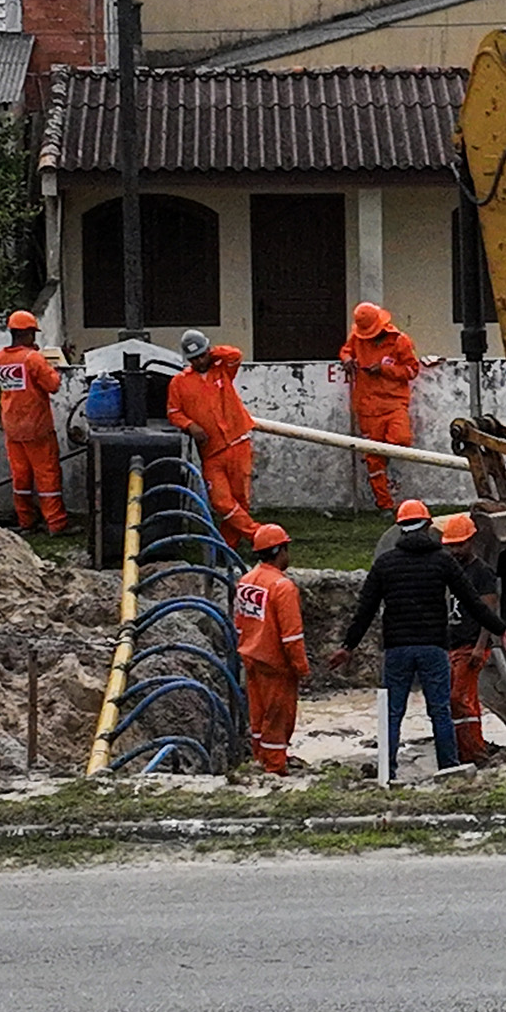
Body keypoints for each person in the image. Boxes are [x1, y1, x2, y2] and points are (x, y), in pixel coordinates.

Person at [343, 497, 506, 778]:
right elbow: (474, 603)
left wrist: (348, 646)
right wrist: (501, 630)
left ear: (400, 528)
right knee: (440, 710)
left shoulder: (385, 564)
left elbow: (365, 609)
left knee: (393, 713)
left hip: (397, 649)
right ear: (429, 526)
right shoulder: (442, 562)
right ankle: (449, 768)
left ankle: (387, 772)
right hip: (434, 648)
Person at [165, 328, 259, 547]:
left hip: (238, 443)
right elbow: (173, 412)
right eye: (193, 358)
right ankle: (258, 535)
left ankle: (228, 546)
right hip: (211, 452)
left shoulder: (222, 370)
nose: (199, 361)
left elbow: (234, 355)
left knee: (240, 500)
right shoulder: (179, 383)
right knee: (221, 501)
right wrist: (190, 426)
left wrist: (213, 352)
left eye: (202, 355)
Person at [233, 523, 308, 774]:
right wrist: (300, 667)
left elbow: (239, 623)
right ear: (279, 551)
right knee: (278, 718)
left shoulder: (246, 581)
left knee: (258, 716)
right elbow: (291, 635)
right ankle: (274, 768)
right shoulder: (282, 587)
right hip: (275, 664)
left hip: (251, 658)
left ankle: (260, 760)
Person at [0, 310, 69, 534]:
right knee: (47, 476)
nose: (34, 338)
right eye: (33, 334)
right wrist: (51, 365)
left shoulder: (1, 358)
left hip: (12, 427)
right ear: (26, 334)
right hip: (36, 427)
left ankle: (26, 521)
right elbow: (52, 385)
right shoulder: (33, 358)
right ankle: (56, 523)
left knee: (21, 477)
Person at [340, 300, 421, 513]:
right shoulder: (356, 338)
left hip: (394, 404)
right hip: (366, 407)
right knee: (373, 459)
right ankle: (384, 504)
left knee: (400, 440)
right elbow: (345, 351)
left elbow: (412, 370)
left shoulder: (400, 341)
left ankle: (386, 461)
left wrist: (386, 370)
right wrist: (347, 360)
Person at [437, 510, 502, 761]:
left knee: (458, 698)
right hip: (453, 643)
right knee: (465, 698)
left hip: (472, 644)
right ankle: (469, 746)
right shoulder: (451, 572)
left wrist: (480, 646)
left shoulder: (481, 573)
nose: (455, 551)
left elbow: (488, 611)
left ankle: (472, 751)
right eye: (451, 546)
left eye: (459, 545)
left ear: (471, 541)